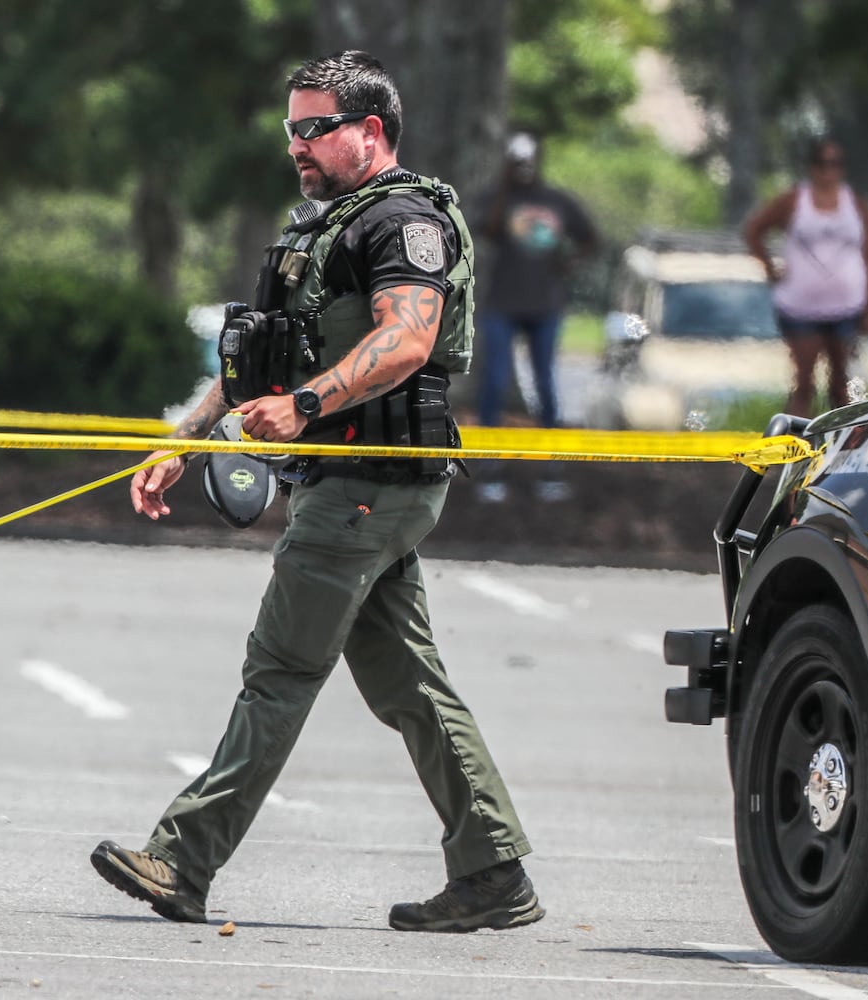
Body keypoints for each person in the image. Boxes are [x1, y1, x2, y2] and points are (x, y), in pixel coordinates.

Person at [90, 51, 541, 934]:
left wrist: (304, 405)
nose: (296, 144)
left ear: (369, 132)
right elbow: (256, 358)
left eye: (314, 128)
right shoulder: (323, 228)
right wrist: (180, 442)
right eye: (290, 128)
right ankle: (493, 872)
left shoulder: (401, 221)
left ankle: (181, 860)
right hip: (358, 485)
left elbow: (407, 341)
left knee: (280, 671)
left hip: (369, 485)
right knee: (409, 684)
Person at [743, 137, 868, 417]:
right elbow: (754, 229)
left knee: (840, 384)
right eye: (822, 164)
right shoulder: (795, 200)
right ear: (812, 167)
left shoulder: (854, 204)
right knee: (804, 383)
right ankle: (796, 450)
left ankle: (844, 453)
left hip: (846, 305)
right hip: (800, 306)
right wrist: (770, 267)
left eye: (835, 164)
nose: (828, 170)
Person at [473, 132, 598, 431]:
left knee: (544, 377)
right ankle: (487, 454)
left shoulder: (557, 200)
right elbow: (487, 230)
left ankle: (550, 459)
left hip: (545, 302)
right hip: (502, 302)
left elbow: (590, 238)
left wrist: (570, 263)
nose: (524, 167)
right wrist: (504, 183)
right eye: (517, 161)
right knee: (496, 377)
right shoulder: (497, 198)